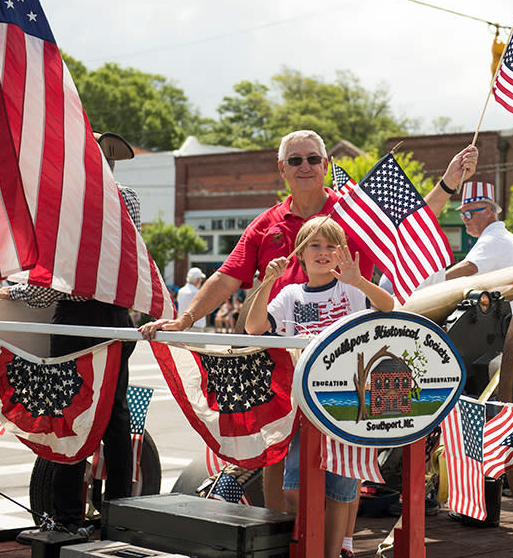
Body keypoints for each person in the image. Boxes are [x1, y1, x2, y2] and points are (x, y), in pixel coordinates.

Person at [140, 128, 478, 509]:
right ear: (281, 168)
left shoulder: (354, 212)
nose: (305, 166)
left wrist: (449, 182)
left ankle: (341, 543)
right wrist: (185, 320)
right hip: (279, 358)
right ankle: (277, 530)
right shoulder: (266, 223)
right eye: (296, 160)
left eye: (313, 159)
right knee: (275, 447)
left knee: (347, 454)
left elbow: (410, 225)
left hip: (346, 358)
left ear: (326, 165)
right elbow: (226, 276)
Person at [0, 132, 140, 537]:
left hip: (77, 318)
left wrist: (18, 291)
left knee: (69, 414)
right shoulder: (126, 198)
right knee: (114, 416)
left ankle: (66, 519)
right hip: (116, 317)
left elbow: (54, 280)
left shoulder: (62, 206)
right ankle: (120, 512)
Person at [245, 216, 394, 558]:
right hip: (305, 405)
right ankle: (309, 543)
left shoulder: (351, 290)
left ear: (341, 252)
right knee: (296, 487)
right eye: (314, 245)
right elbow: (255, 326)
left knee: (340, 489)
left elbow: (387, 307)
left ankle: (331, 552)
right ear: (300, 253)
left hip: (349, 403)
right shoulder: (290, 294)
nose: (323, 252)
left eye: (331, 246)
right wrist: (268, 280)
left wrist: (361, 281)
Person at [445, 182, 513, 280]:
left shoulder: (493, 239)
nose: (465, 219)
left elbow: (469, 267)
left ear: (488, 212)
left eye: (469, 213)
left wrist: (434, 283)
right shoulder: (504, 236)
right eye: (463, 215)